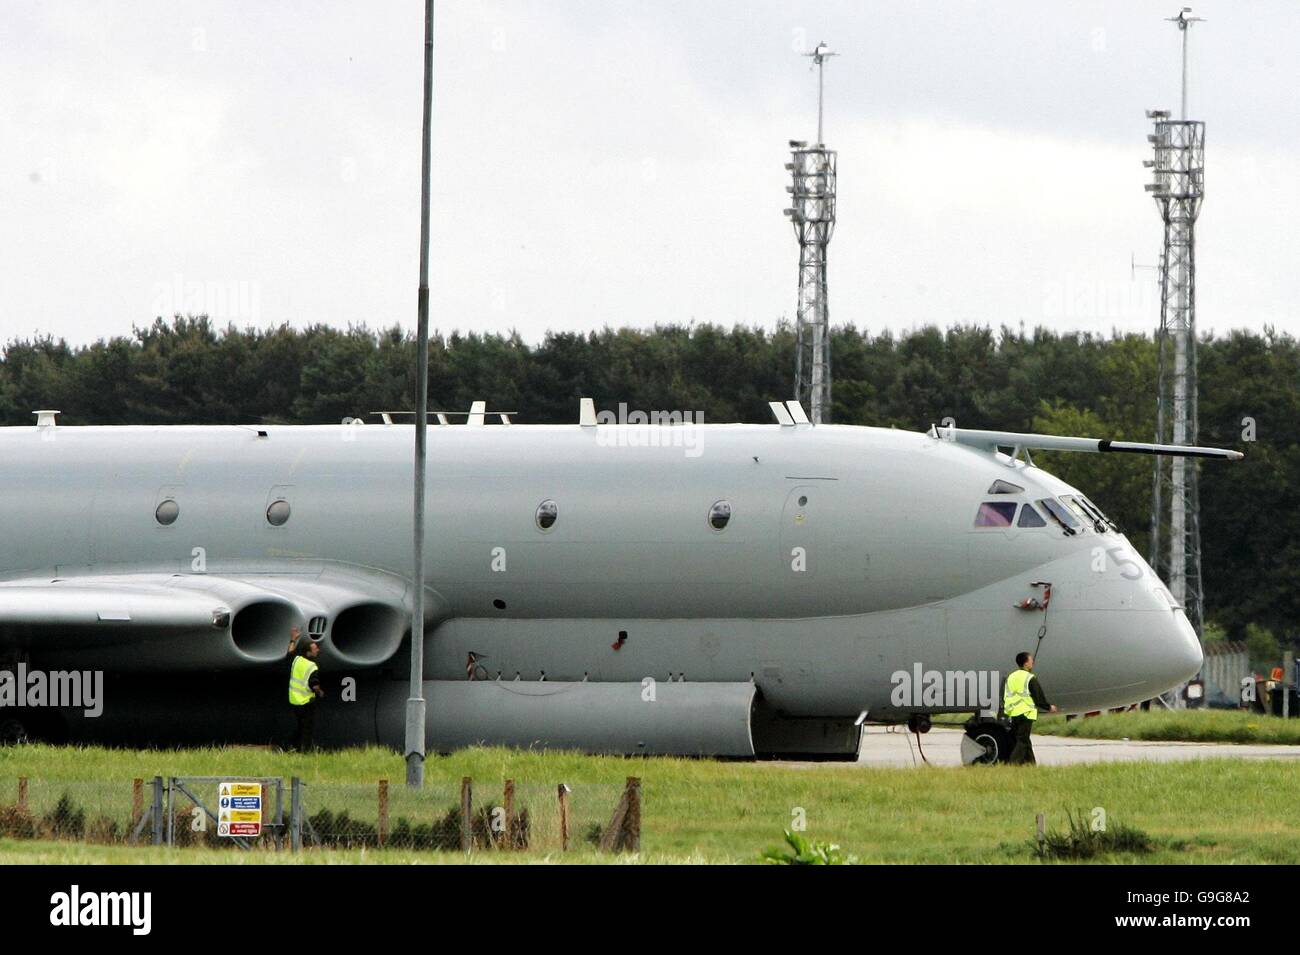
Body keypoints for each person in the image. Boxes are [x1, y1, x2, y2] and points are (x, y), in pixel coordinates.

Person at [1002, 651, 1057, 765]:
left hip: (1014, 713)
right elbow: (1038, 697)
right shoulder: (1029, 678)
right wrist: (1049, 707)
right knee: (1022, 740)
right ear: (1026, 663)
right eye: (1031, 660)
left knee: (1024, 739)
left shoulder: (1011, 677)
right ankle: (1012, 764)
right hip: (1026, 713)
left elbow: (1005, 695)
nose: (1033, 662)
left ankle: (1031, 765)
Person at [286, 626, 325, 752]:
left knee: (301, 726)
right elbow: (314, 685)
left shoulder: (297, 660)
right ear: (308, 652)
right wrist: (320, 692)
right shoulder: (312, 666)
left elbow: (290, 653)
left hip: (295, 701)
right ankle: (305, 751)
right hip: (307, 702)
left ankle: (291, 747)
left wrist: (293, 639)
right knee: (307, 729)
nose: (317, 650)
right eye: (315, 649)